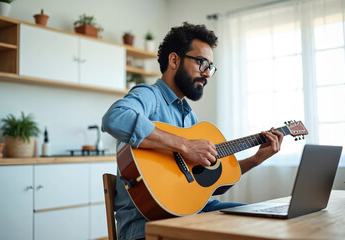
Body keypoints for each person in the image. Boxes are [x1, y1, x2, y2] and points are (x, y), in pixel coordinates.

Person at [102, 22, 283, 240]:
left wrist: (255, 159)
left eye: (210, 67)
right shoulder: (150, 96)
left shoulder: (190, 118)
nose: (207, 74)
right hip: (149, 225)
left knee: (265, 217)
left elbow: (209, 183)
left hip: (193, 214)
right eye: (201, 63)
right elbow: (115, 118)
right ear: (174, 60)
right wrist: (185, 145)